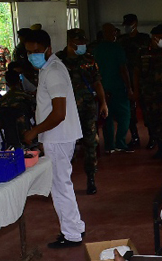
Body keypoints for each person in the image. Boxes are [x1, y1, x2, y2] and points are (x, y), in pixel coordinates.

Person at [22, 29, 86, 249]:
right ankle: (75, 227)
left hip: (58, 137)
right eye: (29, 52)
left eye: (36, 51)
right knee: (62, 184)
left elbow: (59, 113)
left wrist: (34, 131)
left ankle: (71, 235)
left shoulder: (54, 71)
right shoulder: (48, 68)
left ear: (48, 49)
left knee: (60, 186)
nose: (32, 56)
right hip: (57, 136)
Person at [56, 29, 108, 195]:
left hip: (87, 107)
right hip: (66, 109)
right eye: (80, 42)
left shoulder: (89, 59)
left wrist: (103, 103)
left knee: (90, 143)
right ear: (71, 42)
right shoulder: (58, 60)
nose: (83, 45)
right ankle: (64, 181)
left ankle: (91, 179)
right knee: (66, 144)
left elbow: (97, 82)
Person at [135, 24, 162, 162]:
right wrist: (135, 91)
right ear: (153, 38)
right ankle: (156, 143)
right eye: (160, 38)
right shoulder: (142, 52)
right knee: (151, 120)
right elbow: (136, 72)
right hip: (148, 93)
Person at [91, 23, 133, 154]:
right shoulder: (117, 48)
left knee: (106, 117)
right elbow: (123, 69)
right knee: (125, 115)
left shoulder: (96, 49)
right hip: (118, 88)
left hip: (102, 88)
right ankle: (120, 142)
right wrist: (129, 87)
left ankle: (109, 145)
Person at [119, 14, 150, 148]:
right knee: (130, 112)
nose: (127, 27)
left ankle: (152, 137)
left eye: (129, 24)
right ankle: (135, 137)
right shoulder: (121, 40)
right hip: (126, 79)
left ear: (135, 23)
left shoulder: (144, 39)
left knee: (147, 110)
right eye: (125, 24)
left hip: (144, 79)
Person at [0, 69, 36, 148]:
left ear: (7, 84)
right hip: (27, 134)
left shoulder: (2, 101)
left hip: (9, 136)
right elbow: (34, 113)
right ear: (20, 81)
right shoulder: (26, 97)